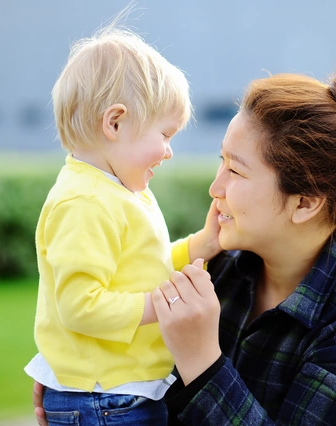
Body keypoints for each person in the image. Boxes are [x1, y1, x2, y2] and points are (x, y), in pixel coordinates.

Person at [35, 71, 336, 425]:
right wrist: (83, 385)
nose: (215, 188)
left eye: (235, 169)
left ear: (305, 202)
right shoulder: (221, 265)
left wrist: (202, 363)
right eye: (221, 161)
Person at [24, 22, 221, 426]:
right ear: (115, 123)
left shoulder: (116, 190)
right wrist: (164, 306)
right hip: (105, 399)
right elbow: (79, 307)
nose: (168, 152)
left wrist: (199, 245)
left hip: (117, 392)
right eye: (165, 134)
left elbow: (137, 266)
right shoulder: (85, 202)